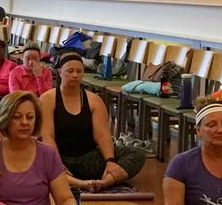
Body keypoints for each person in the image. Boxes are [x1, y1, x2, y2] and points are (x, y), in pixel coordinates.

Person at [39, 52, 145, 190]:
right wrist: (57, 164)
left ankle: (104, 182)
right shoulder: (47, 99)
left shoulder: (94, 100)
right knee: (37, 160)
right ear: (59, 72)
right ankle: (80, 184)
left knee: (137, 154)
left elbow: (102, 135)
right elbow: (47, 136)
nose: (75, 75)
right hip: (60, 158)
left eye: (79, 71)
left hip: (87, 159)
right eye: (70, 71)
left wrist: (110, 161)